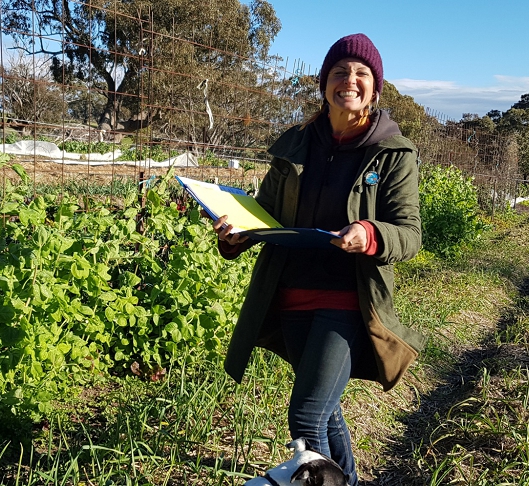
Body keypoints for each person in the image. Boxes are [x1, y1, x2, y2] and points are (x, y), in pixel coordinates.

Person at [210, 33, 426, 485]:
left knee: (305, 418)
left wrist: (368, 232)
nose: (350, 80)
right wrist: (234, 234)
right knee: (325, 413)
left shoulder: (393, 155)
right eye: (340, 72)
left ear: (375, 88)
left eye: (361, 74)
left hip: (347, 301)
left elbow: (409, 234)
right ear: (325, 83)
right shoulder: (296, 145)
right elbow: (263, 215)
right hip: (290, 296)